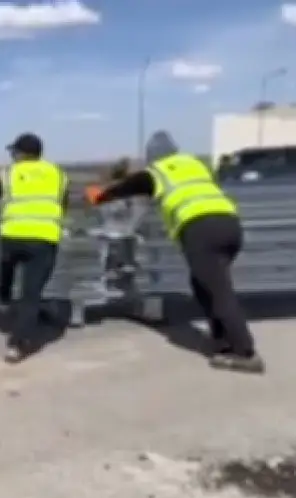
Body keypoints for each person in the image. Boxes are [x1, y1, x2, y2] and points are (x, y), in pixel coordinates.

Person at [85, 131, 265, 373]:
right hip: (230, 225)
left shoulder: (158, 171)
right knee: (203, 286)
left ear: (153, 156)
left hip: (201, 229)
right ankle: (222, 341)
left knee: (219, 292)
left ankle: (245, 353)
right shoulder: (197, 165)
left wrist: (101, 196)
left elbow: (131, 185)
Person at [0, 133, 68, 363]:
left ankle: (3, 299)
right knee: (31, 294)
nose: (12, 155)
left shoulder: (10, 173)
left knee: (6, 270)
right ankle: (17, 346)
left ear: (21, 153)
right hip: (44, 239)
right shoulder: (58, 174)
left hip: (12, 237)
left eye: (14, 152)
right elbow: (63, 205)